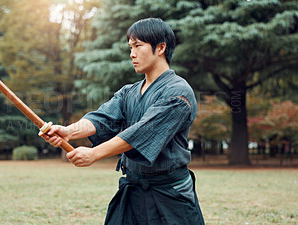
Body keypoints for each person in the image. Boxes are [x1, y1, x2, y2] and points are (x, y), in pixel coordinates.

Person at [39, 18, 205, 225]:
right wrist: (68, 131)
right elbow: (102, 118)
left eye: (138, 46)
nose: (132, 54)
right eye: (130, 47)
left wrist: (94, 154)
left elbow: (141, 133)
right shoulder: (129, 92)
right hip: (133, 190)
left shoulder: (178, 93)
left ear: (161, 47)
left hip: (169, 194)